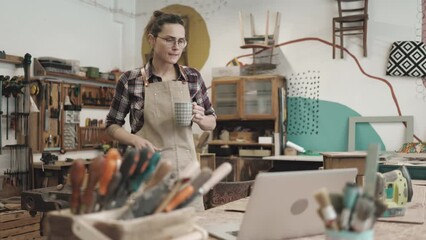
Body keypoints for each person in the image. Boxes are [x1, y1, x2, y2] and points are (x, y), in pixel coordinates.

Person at [105, 10, 216, 210]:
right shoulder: (131, 80)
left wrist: (201, 118)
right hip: (147, 172)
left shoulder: (192, 77)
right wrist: (135, 140)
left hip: (185, 173)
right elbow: (112, 125)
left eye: (181, 41)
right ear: (152, 40)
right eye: (170, 40)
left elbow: (212, 121)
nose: (176, 47)